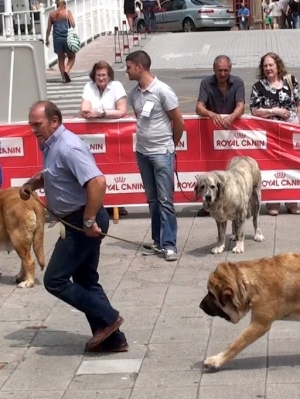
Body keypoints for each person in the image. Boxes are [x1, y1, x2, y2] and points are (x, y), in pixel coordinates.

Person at [21, 100, 128, 353]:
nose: (33, 129)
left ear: (54, 121)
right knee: (86, 280)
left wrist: (89, 221)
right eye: (31, 125)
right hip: (77, 219)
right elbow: (54, 174)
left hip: (82, 221)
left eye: (38, 124)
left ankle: (109, 317)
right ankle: (113, 340)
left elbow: (97, 182)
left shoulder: (68, 147)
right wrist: (32, 184)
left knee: (55, 280)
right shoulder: (51, 144)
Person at [125, 50, 184, 261]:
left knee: (165, 199)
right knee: (153, 201)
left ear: (139, 67)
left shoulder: (163, 91)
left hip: (162, 153)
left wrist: (170, 145)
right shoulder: (134, 94)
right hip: (142, 153)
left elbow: (179, 122)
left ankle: (169, 244)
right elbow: (140, 119)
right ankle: (158, 241)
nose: (126, 71)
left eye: (129, 67)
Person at [250, 52, 300, 216]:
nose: (268, 68)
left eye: (271, 65)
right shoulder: (258, 87)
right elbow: (254, 110)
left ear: (278, 66)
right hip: (270, 134)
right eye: (265, 66)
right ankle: (272, 203)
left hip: (291, 131)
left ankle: (292, 202)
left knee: (291, 165)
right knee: (272, 166)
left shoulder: (291, 80)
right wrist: (274, 111)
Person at [196, 55, 245, 217]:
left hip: (232, 134)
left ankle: (232, 201)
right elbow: (199, 107)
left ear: (230, 70)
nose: (223, 73)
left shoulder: (238, 82)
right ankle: (207, 204)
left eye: (225, 70)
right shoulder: (205, 83)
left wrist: (231, 117)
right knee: (210, 170)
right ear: (214, 70)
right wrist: (211, 114)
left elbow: (241, 106)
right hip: (211, 135)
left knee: (233, 169)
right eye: (219, 71)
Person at [80, 60, 129, 217]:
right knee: (94, 170)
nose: (101, 78)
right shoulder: (89, 87)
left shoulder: (117, 86)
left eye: (103, 75)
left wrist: (101, 114)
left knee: (115, 168)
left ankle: (118, 202)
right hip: (93, 137)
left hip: (114, 135)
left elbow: (121, 111)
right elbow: (84, 110)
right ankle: (98, 202)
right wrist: (102, 112)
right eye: (98, 75)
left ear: (109, 76)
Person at [44, 0, 76, 84]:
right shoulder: (67, 12)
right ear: (64, 5)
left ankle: (63, 78)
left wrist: (47, 39)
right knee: (72, 57)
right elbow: (73, 24)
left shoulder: (51, 14)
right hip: (67, 38)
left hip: (57, 39)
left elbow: (48, 29)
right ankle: (66, 71)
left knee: (61, 58)